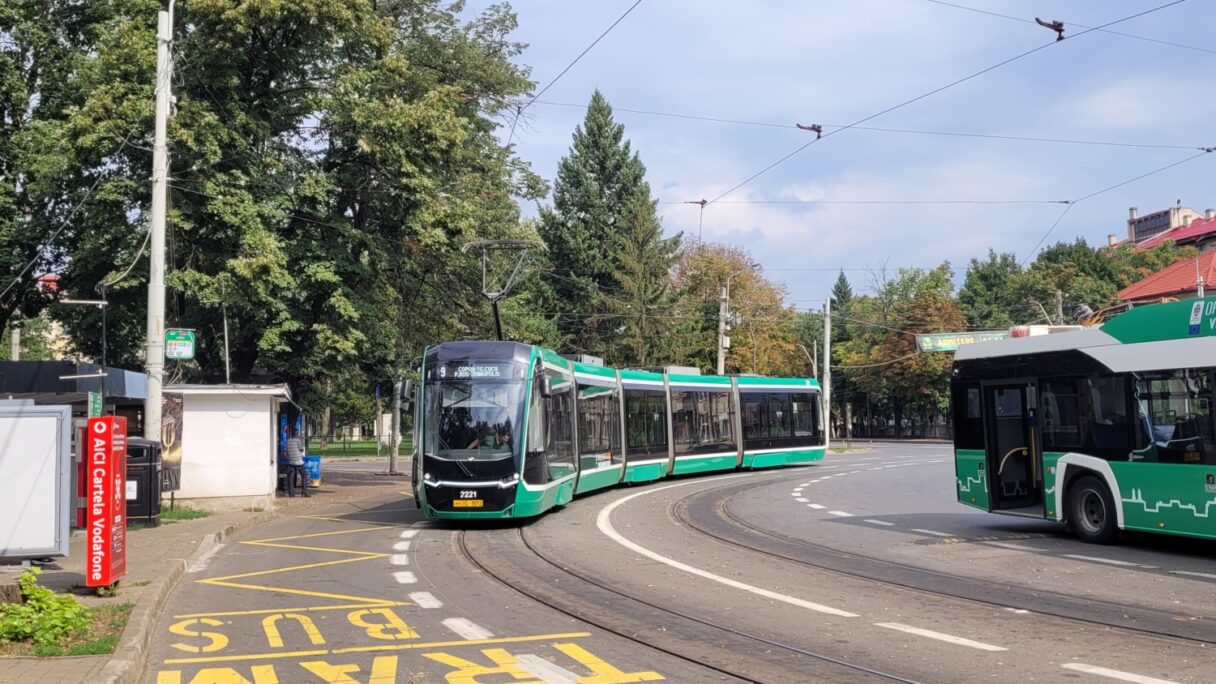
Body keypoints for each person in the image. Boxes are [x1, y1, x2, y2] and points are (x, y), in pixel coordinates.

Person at [285, 427, 310, 497]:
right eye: (298, 433)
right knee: (304, 475)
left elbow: (286, 452)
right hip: (298, 462)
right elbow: (301, 450)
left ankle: (291, 493)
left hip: (291, 462)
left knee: (291, 477)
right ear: (296, 433)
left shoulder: (288, 441)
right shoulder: (298, 441)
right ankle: (304, 493)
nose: (298, 434)